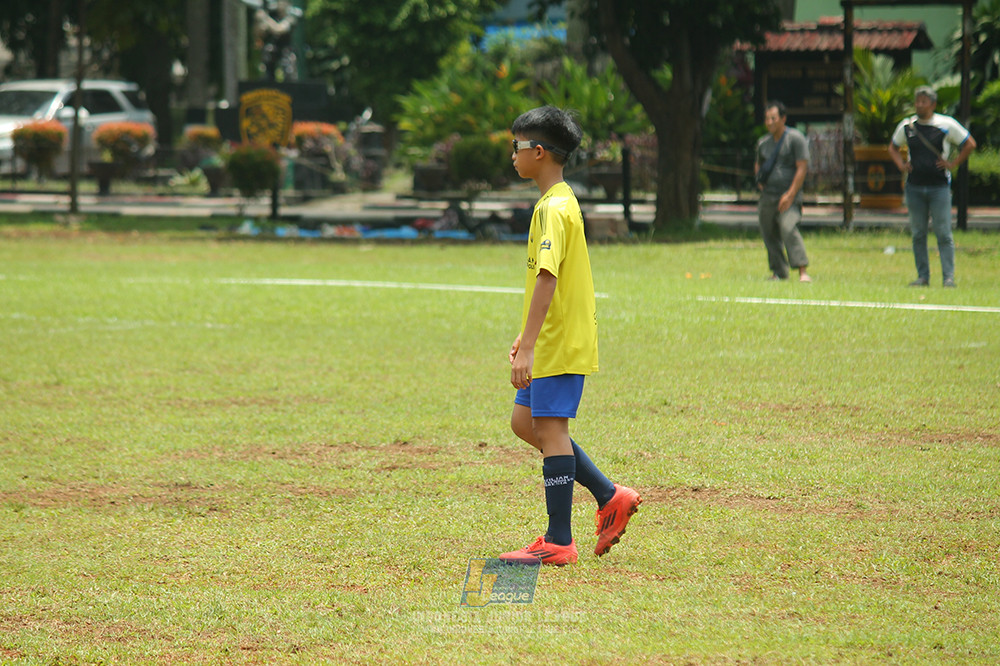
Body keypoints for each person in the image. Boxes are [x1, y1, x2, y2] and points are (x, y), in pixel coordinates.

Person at [498, 106, 641, 566]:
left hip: (559, 341)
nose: (512, 155)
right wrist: (526, 336)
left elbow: (547, 278)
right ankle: (608, 495)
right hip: (551, 337)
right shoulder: (554, 202)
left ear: (538, 153)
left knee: (552, 430)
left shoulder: (554, 209)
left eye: (517, 147)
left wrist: (533, 343)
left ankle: (559, 539)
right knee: (527, 425)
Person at [888, 86, 976, 288]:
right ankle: (923, 277)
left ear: (933, 104)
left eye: (923, 102)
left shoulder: (945, 124)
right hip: (914, 186)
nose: (919, 105)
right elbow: (893, 146)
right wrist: (902, 165)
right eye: (917, 101)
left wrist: (953, 163)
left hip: (939, 187)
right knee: (918, 233)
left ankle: (948, 277)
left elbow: (969, 143)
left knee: (943, 232)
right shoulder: (907, 125)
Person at [754, 101, 812, 282]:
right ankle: (778, 272)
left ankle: (802, 270)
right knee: (768, 232)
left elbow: (802, 167)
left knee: (788, 228)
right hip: (768, 196)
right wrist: (761, 184)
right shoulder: (763, 143)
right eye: (767, 119)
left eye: (773, 118)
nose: (769, 122)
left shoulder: (795, 139)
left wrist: (790, 194)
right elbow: (758, 165)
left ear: (783, 119)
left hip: (789, 196)